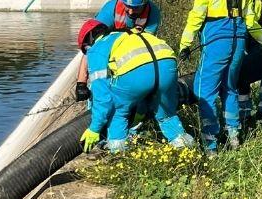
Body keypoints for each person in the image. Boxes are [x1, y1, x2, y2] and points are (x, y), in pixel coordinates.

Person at [77, 19, 193, 153]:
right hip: (168, 65)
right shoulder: (128, 34)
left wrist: (94, 128)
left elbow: (102, 96)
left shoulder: (97, 48)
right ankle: (187, 152)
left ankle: (119, 154)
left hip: (138, 73)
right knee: (167, 114)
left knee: (117, 112)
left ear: (89, 41)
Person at [179, 0, 250, 152]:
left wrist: (185, 43)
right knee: (230, 88)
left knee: (204, 90)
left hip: (217, 38)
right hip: (239, 38)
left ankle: (210, 144)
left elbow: (197, 15)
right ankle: (234, 137)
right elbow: (250, 18)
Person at [76, 0, 163, 101]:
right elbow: (91, 47)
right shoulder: (111, 8)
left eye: (136, 8)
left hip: (131, 53)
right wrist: (81, 83)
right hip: (108, 49)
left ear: (146, 1)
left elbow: (145, 48)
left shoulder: (153, 14)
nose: (131, 12)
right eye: (128, 7)